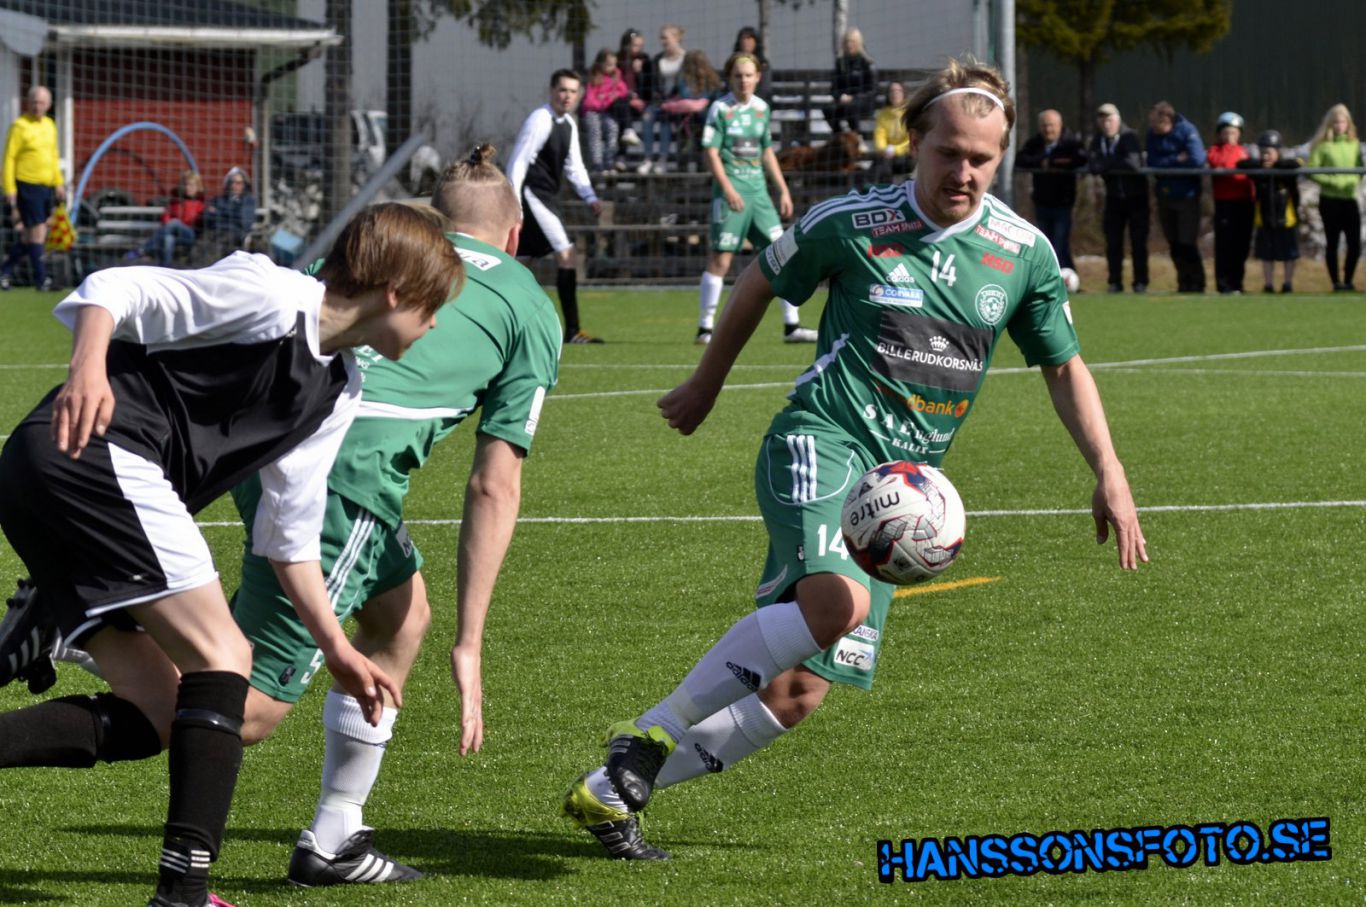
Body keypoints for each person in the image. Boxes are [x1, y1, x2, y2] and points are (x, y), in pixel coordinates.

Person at [560, 56, 1147, 860]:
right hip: (822, 440)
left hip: (900, 497)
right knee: (838, 604)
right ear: (916, 141)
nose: (965, 172)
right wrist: (706, 383)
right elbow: (760, 281)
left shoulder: (1023, 252)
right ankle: (649, 732)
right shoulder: (854, 221)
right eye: (950, 153)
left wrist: (1109, 470)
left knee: (799, 690)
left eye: (982, 159)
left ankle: (613, 787)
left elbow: (1063, 365)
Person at [0, 202, 461, 907]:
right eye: (432, 308)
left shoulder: (339, 388)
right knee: (225, 658)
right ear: (394, 292)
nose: (434, 325)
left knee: (160, 709)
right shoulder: (272, 295)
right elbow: (115, 288)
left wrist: (337, 647)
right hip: (92, 454)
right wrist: (87, 368)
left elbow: (289, 536)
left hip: (52, 477)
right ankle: (183, 893)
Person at [225, 145, 561, 886]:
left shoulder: (384, 250)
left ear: (436, 222)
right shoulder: (529, 303)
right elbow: (493, 486)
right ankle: (94, 632)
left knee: (401, 616)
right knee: (247, 711)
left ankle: (335, 837)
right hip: (343, 482)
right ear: (514, 234)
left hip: (262, 444)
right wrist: (471, 643)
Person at [695, 53, 816, 346]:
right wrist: (728, 189)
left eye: (749, 75)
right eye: (738, 76)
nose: (743, 81)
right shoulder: (720, 109)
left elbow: (766, 152)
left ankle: (792, 326)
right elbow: (710, 152)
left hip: (759, 194)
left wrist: (783, 189)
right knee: (721, 259)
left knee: (783, 254)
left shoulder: (762, 108)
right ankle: (704, 328)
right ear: (729, 78)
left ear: (758, 77)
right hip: (732, 193)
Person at [507, 68, 605, 344]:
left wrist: (590, 196)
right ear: (551, 91)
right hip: (532, 196)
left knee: (521, 264)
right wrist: (515, 205)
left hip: (547, 197)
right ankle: (573, 330)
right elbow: (518, 162)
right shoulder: (540, 119)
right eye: (562, 90)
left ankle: (505, 320)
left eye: (573, 91)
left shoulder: (568, 124)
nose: (567, 96)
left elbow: (575, 166)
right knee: (567, 254)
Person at [1, 85, 64, 291]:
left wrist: (59, 183)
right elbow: (9, 158)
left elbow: (53, 156)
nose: (38, 106)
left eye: (42, 102)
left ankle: (4, 272)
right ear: (28, 103)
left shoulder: (50, 125)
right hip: (27, 185)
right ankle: (41, 279)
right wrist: (9, 188)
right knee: (38, 232)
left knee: (29, 236)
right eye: (34, 102)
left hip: (46, 187)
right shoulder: (19, 126)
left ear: (49, 104)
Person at [1088, 102, 1149, 293]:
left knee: (1138, 242)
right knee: (1113, 242)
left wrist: (1107, 164)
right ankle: (1115, 282)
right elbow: (1093, 166)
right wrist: (1114, 162)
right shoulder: (1098, 140)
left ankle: (1140, 282)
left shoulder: (1129, 137)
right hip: (1113, 198)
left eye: (1109, 120)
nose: (1106, 124)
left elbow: (1132, 164)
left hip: (1136, 198)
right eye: (1102, 120)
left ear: (1118, 120)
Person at [1015, 109, 1087, 270]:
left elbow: (1080, 159)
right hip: (1041, 203)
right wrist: (1041, 162)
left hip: (1063, 204)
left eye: (1051, 125)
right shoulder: (1035, 143)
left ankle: (1063, 277)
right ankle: (1062, 276)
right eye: (1044, 125)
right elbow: (1020, 159)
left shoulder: (1070, 142)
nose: (1048, 129)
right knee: (1045, 247)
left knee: (1059, 246)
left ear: (1060, 125)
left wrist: (1054, 162)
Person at [1146, 101, 1207, 292]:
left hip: (1187, 196)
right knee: (1173, 242)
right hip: (1165, 196)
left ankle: (1197, 282)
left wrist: (1167, 164)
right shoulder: (1152, 134)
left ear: (1166, 121)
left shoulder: (1187, 131)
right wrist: (1176, 159)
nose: (1152, 128)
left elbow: (1197, 159)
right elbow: (1152, 162)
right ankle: (1183, 281)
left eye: (1155, 124)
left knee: (1186, 241)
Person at [1307, 104, 1363, 291]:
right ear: (1330, 124)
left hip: (1349, 198)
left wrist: (1353, 180)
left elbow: (1359, 169)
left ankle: (1348, 280)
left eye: (1343, 122)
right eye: (1336, 122)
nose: (1340, 126)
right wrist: (1332, 181)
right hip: (1330, 200)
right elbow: (1311, 170)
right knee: (1333, 242)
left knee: (1354, 243)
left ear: (1348, 124)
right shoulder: (1322, 146)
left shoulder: (1354, 145)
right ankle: (1335, 282)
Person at [1238, 130, 1302, 293]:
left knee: (1289, 254)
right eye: (1262, 153)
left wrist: (1276, 166)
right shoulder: (1259, 171)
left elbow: (1297, 163)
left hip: (1286, 218)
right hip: (1265, 218)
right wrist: (1262, 166)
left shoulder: (1286, 170)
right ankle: (1268, 284)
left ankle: (1287, 283)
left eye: (1269, 153)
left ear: (1278, 152)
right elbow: (1241, 164)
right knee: (1266, 254)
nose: (1265, 157)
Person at [1206, 112, 1254, 294]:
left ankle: (1237, 284)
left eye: (1233, 133)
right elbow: (1221, 162)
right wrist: (1235, 162)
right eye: (1226, 132)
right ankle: (1224, 284)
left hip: (1245, 203)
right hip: (1225, 203)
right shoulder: (1215, 150)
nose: (1229, 136)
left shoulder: (1245, 151)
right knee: (1225, 245)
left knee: (1241, 246)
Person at [637, 24, 688, 174]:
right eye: (661, 38)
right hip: (659, 101)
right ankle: (647, 158)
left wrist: (675, 98)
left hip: (677, 101)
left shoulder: (686, 58)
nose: (662, 41)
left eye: (665, 38)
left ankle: (663, 159)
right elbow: (652, 83)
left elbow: (687, 82)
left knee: (666, 122)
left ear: (676, 38)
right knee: (647, 117)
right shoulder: (657, 59)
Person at [128, 170, 206, 266]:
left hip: (191, 235)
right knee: (168, 238)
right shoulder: (176, 200)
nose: (187, 188)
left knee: (175, 222)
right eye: (185, 185)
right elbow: (166, 215)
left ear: (198, 187)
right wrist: (169, 224)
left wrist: (174, 224)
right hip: (174, 234)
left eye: (191, 185)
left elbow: (199, 222)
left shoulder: (201, 203)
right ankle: (165, 268)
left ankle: (143, 249)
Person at [662, 49, 723, 157]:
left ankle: (700, 156)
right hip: (686, 119)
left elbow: (714, 100)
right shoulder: (683, 79)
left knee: (702, 118)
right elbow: (684, 96)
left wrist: (699, 103)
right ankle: (687, 156)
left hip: (705, 119)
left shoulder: (711, 80)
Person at [581, 50, 630, 173]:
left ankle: (609, 161)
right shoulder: (593, 77)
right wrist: (601, 103)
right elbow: (589, 99)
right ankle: (597, 162)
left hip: (606, 111)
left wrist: (611, 97)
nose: (612, 67)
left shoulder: (616, 77)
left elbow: (623, 91)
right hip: (592, 111)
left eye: (614, 64)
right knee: (595, 130)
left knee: (613, 127)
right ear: (600, 63)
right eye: (609, 64)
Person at [825, 28, 877, 135]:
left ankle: (856, 138)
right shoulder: (840, 62)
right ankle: (840, 137)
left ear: (858, 43)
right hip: (844, 102)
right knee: (828, 109)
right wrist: (840, 96)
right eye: (847, 42)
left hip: (863, 102)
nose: (849, 45)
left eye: (852, 42)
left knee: (851, 108)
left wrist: (854, 98)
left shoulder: (867, 62)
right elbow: (833, 88)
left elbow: (873, 90)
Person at [199, 166, 257, 256]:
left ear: (244, 185)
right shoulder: (218, 199)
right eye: (231, 182)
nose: (234, 186)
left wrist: (218, 213)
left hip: (234, 235)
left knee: (217, 247)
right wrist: (233, 213)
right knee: (199, 245)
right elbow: (205, 217)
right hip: (213, 232)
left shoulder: (248, 201)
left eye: (238, 183)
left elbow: (244, 222)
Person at [615, 28, 652, 151]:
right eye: (635, 45)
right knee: (621, 109)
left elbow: (649, 86)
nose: (638, 49)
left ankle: (627, 135)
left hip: (640, 102)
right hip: (623, 100)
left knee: (624, 112)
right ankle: (622, 152)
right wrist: (629, 96)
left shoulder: (645, 59)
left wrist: (639, 73)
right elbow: (615, 84)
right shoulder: (617, 60)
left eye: (640, 46)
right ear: (626, 45)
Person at [871, 80, 912, 182]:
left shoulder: (910, 112)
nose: (895, 94)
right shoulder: (882, 114)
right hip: (888, 156)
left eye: (898, 91)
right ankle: (881, 188)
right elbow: (879, 135)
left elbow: (912, 138)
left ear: (904, 93)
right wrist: (883, 149)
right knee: (879, 163)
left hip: (907, 155)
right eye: (892, 91)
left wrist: (895, 149)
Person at [732, 26, 770, 100]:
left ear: (756, 42)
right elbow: (729, 85)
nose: (746, 42)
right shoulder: (733, 63)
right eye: (743, 38)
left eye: (749, 38)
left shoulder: (763, 64)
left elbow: (764, 89)